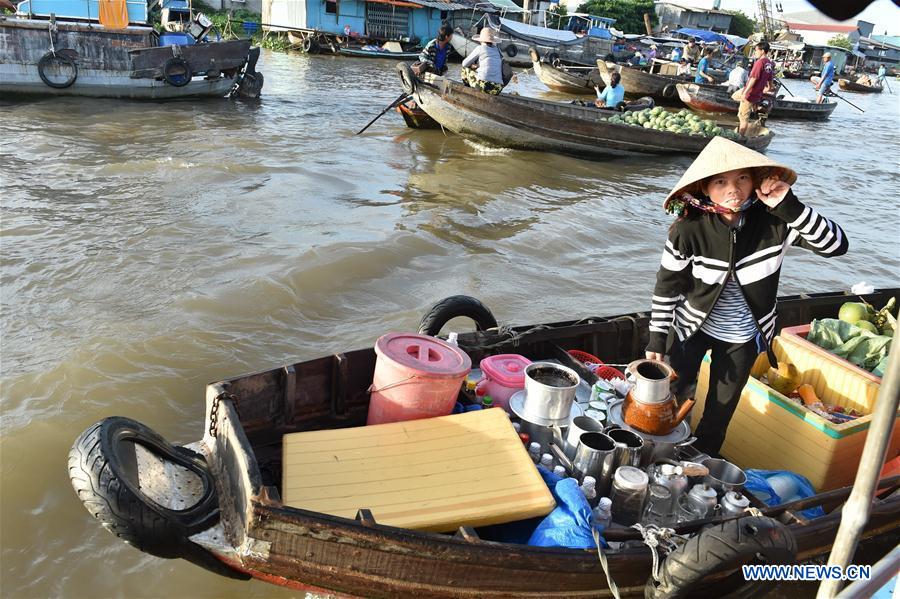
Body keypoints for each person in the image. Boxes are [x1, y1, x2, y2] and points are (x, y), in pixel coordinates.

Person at [647, 137, 848, 455]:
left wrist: (788, 205)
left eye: (742, 178)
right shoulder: (688, 229)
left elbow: (835, 245)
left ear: (755, 181)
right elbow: (667, 286)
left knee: (719, 414)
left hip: (742, 336)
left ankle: (698, 464)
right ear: (704, 187)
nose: (733, 189)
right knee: (669, 400)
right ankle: (656, 453)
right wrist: (657, 338)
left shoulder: (776, 222)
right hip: (689, 329)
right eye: (721, 181)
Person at [737, 41, 775, 137]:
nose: (755, 52)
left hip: (750, 94)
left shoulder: (759, 62)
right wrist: (769, 87)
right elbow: (770, 79)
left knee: (743, 119)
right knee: (735, 96)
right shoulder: (768, 63)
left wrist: (745, 93)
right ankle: (754, 109)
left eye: (756, 50)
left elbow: (754, 78)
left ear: (762, 51)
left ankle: (739, 138)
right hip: (757, 95)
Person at [461, 27, 505, 95]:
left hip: (483, 86)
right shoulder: (498, 51)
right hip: (497, 88)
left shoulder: (480, 48)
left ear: (481, 40)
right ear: (492, 41)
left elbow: (464, 64)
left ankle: (468, 93)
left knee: (464, 70)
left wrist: (472, 66)